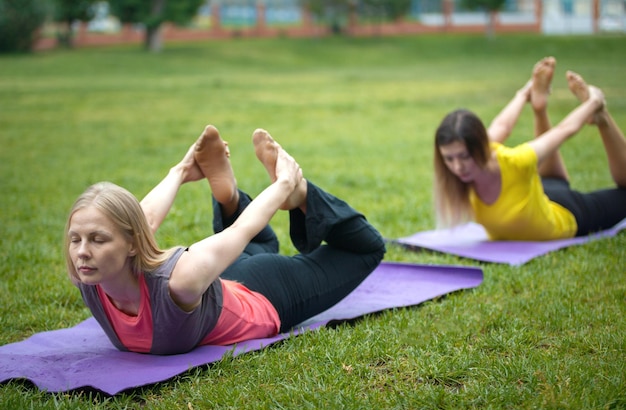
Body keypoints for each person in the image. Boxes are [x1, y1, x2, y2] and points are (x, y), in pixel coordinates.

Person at [64, 126, 386, 355]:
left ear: (131, 244)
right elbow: (141, 219)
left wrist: (285, 185)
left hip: (265, 293)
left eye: (96, 239)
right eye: (75, 239)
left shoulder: (180, 280)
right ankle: (229, 198)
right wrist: (181, 170)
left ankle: (302, 195)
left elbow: (239, 232)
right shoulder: (90, 278)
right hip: (224, 279)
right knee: (258, 248)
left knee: (367, 248)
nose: (81, 252)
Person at [433, 56, 626, 241]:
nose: (457, 167)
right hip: (542, 193)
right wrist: (524, 93)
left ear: (480, 146)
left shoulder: (517, 160)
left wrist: (594, 102)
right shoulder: (467, 165)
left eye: (463, 157)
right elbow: (502, 126)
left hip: (565, 210)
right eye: (449, 159)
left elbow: (564, 130)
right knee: (548, 180)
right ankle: (539, 107)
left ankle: (602, 119)